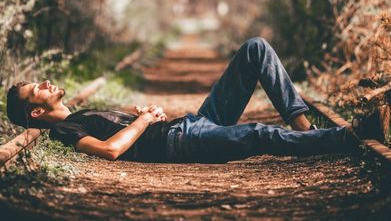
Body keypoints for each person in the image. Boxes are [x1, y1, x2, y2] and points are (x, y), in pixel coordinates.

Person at [6, 37, 355, 163]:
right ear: (37, 111)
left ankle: (304, 127)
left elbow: (123, 134)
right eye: (38, 88)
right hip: (184, 142)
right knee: (259, 134)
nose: (46, 82)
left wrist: (141, 115)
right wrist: (144, 122)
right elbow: (110, 150)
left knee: (255, 49)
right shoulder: (64, 130)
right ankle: (344, 138)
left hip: (191, 123)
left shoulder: (79, 113)